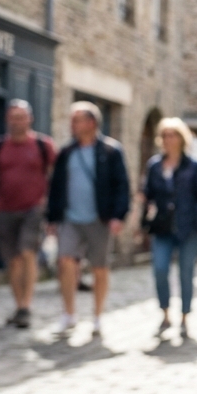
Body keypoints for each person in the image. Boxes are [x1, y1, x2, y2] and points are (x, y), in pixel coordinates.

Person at [47, 102, 131, 337]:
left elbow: (122, 185)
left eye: (77, 120)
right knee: (65, 262)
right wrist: (52, 217)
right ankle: (69, 314)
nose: (72, 125)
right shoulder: (66, 152)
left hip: (99, 219)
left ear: (92, 123)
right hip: (70, 218)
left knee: (99, 268)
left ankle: (97, 316)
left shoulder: (111, 151)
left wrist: (118, 215)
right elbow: (56, 187)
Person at [0, 100, 56, 329]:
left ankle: (26, 305)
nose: (17, 122)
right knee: (13, 261)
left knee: (28, 252)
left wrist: (48, 204)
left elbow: (54, 176)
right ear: (8, 119)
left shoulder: (43, 145)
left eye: (21, 117)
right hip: (5, 210)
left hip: (33, 209)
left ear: (30, 119)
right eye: (13, 117)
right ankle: (19, 306)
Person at [143, 118, 197, 337]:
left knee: (186, 272)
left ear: (181, 139)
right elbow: (147, 195)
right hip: (163, 227)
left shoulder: (194, 165)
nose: (167, 140)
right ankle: (165, 313)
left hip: (188, 226)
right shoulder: (155, 165)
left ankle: (184, 315)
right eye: (164, 135)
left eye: (172, 135)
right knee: (160, 269)